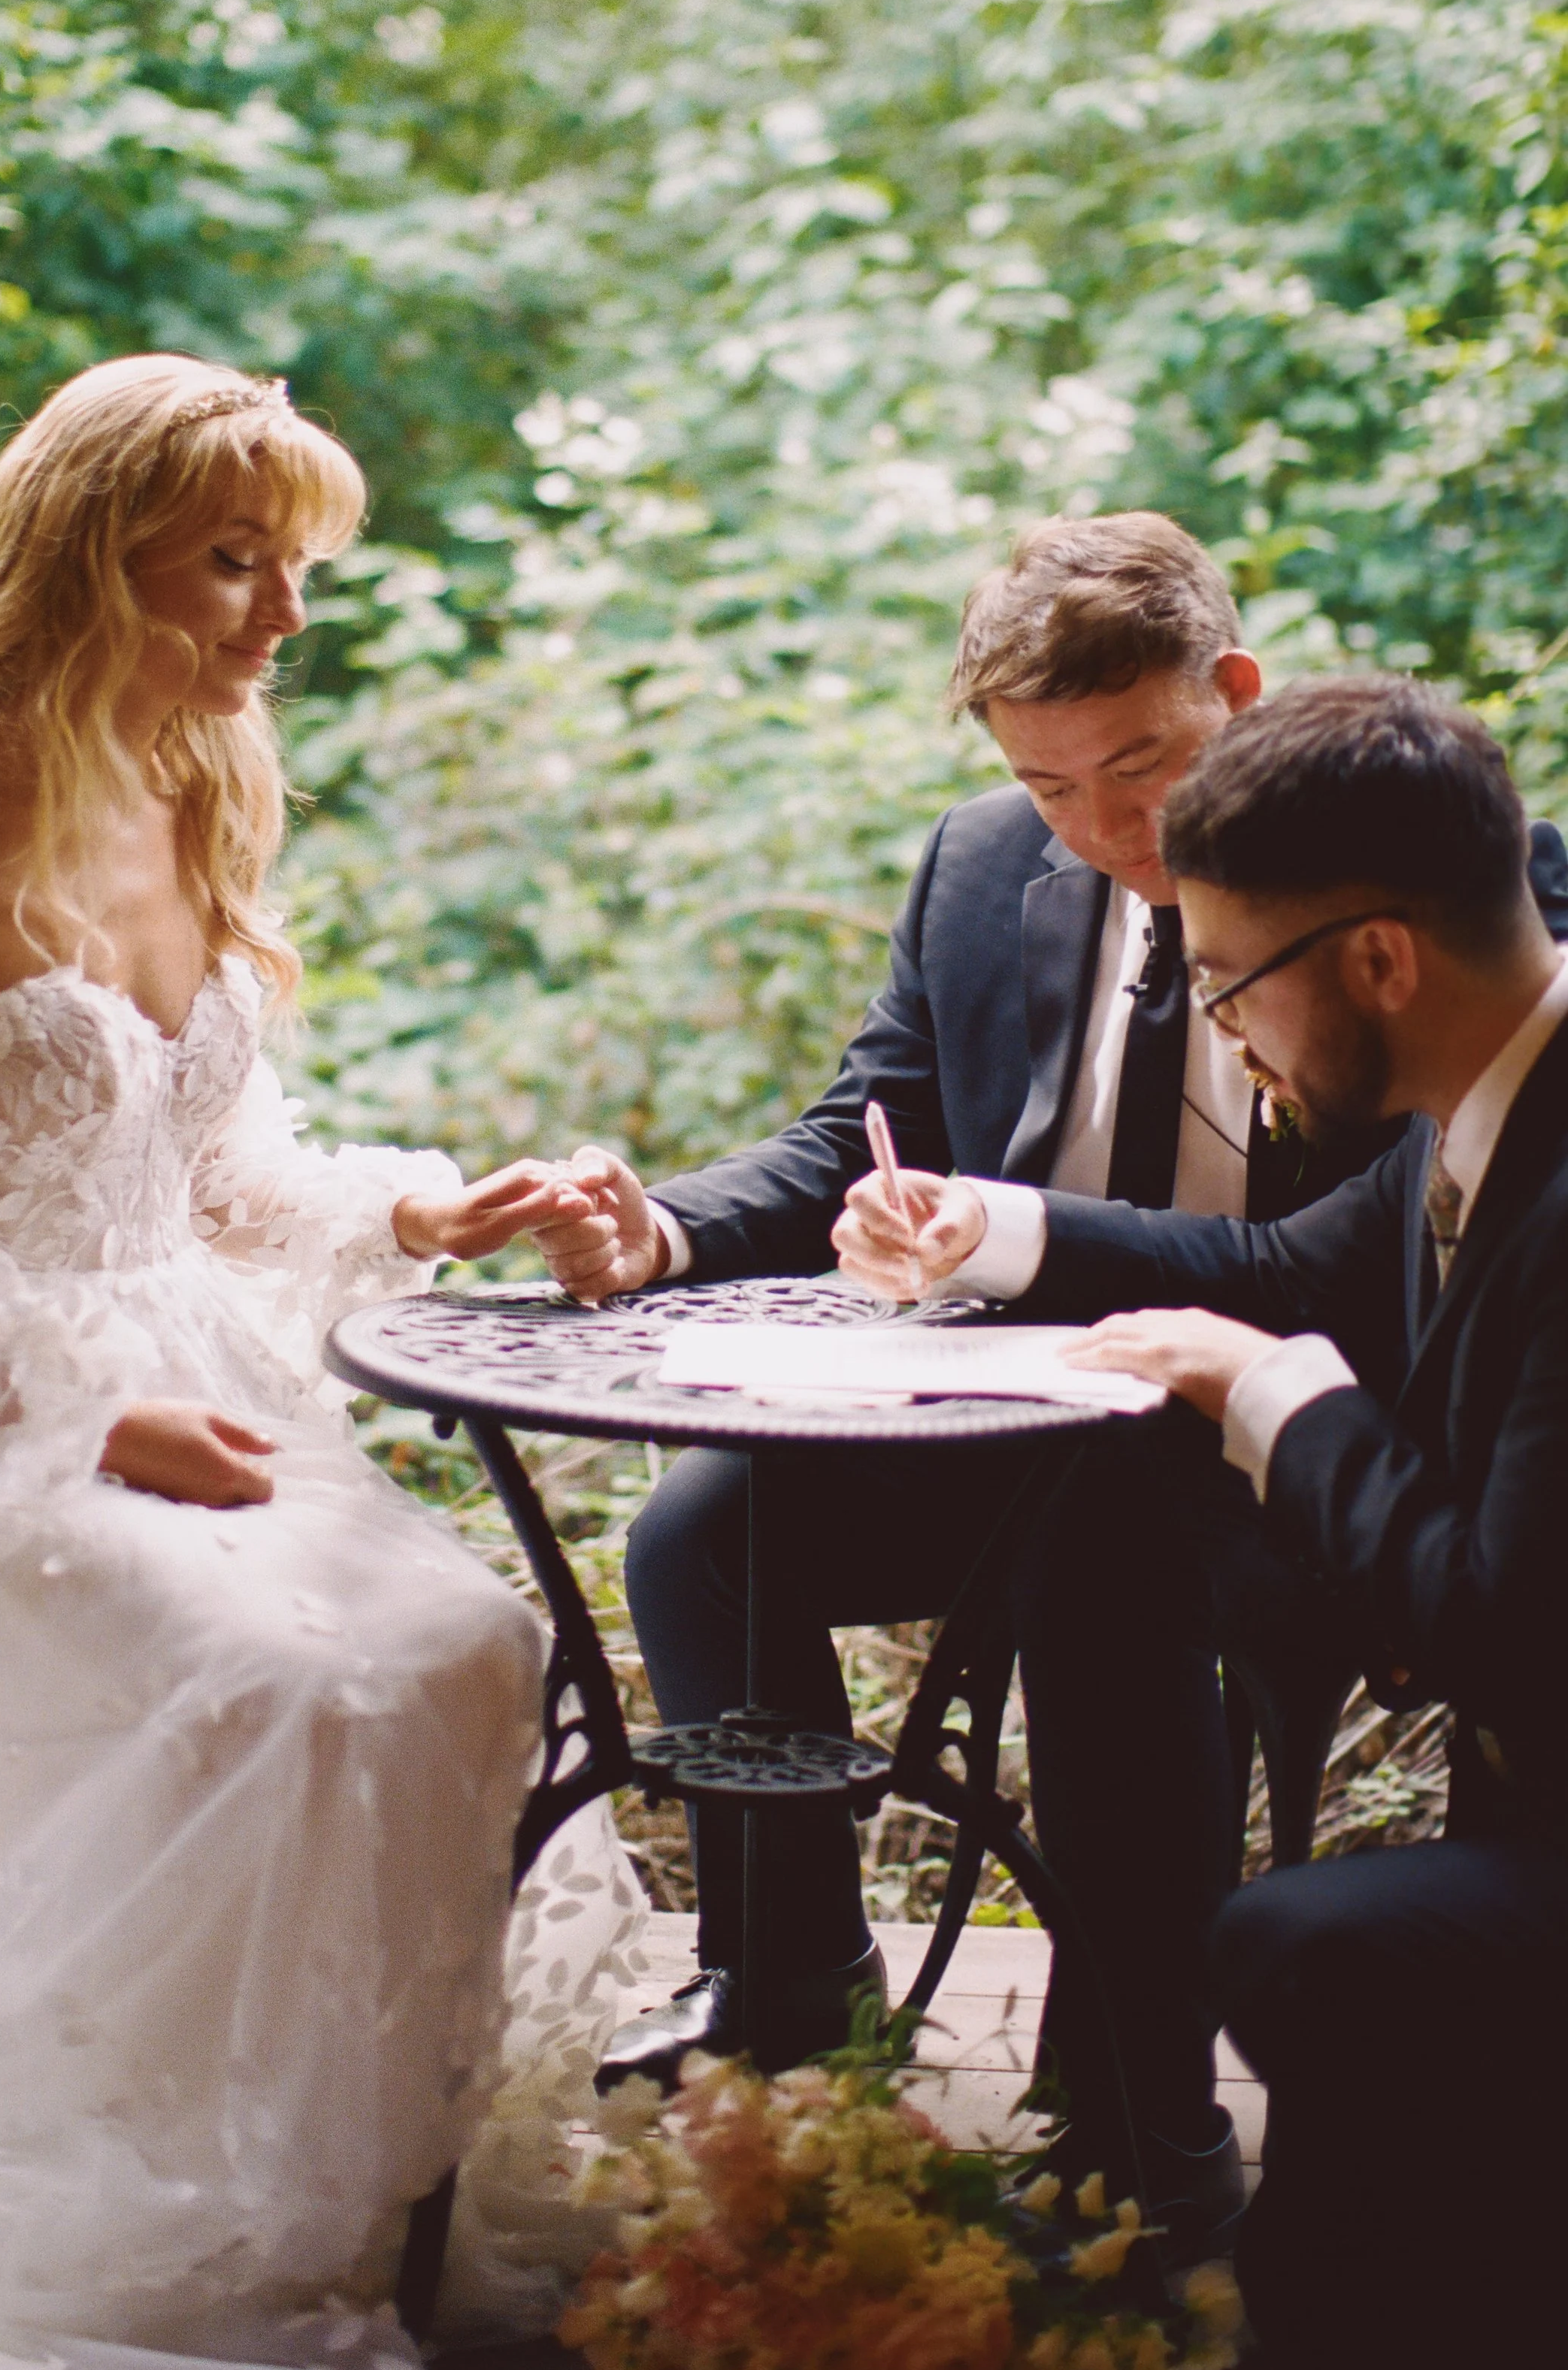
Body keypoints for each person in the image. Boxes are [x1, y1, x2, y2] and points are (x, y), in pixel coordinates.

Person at [0, 357, 641, 2370]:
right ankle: (160, 2201)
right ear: (81, 555)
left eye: (290, 570)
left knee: (468, 1640)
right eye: (233, 565)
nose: (280, 618)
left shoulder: (189, 783)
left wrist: (421, 1212)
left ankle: (346, 2173)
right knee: (287, 1687)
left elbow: (210, 1173)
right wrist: (78, 1417)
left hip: (185, 1373)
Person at [535, 515, 1568, 2245]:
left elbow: (1327, 1273)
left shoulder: (1417, 871)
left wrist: (1031, 1247)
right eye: (1046, 785)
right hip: (1035, 1394)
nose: (1103, 834)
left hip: (1281, 1440)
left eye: (1140, 770)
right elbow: (849, 1132)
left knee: (1101, 1559)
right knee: (703, 1527)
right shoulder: (978, 869)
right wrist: (662, 1234)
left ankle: (1136, 2097)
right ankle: (790, 1984)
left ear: (1228, 695)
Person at [855, 673, 1568, 2370]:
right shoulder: (1476, 1110)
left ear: (1377, 958)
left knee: (1299, 1941)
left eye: (1230, 983)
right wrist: (995, 1235)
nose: (1219, 1036)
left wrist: (1274, 1399)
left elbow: (1494, 1624)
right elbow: (1271, 1271)